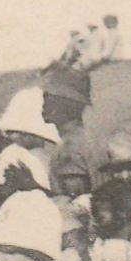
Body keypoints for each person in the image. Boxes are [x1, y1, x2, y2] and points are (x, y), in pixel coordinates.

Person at [41, 65, 94, 198]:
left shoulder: (69, 148)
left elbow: (74, 200)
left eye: (48, 97)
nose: (43, 104)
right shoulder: (85, 139)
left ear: (66, 104)